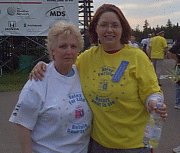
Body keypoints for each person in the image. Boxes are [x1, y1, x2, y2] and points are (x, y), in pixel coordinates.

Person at [29, 4, 167, 153]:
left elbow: (152, 91)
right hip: (98, 144)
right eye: (103, 25)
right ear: (95, 28)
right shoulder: (87, 57)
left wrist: (154, 102)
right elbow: (63, 64)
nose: (109, 30)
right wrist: (43, 65)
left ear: (123, 29)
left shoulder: (137, 57)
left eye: (115, 25)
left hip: (134, 146)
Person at [9, 21, 92, 153]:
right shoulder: (39, 80)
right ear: (52, 51)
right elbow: (23, 122)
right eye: (63, 46)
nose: (69, 51)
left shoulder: (83, 74)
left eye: (73, 46)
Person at [169, 37, 180, 110]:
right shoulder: (178, 43)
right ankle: (177, 103)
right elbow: (170, 52)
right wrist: (176, 60)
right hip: (179, 66)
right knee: (178, 85)